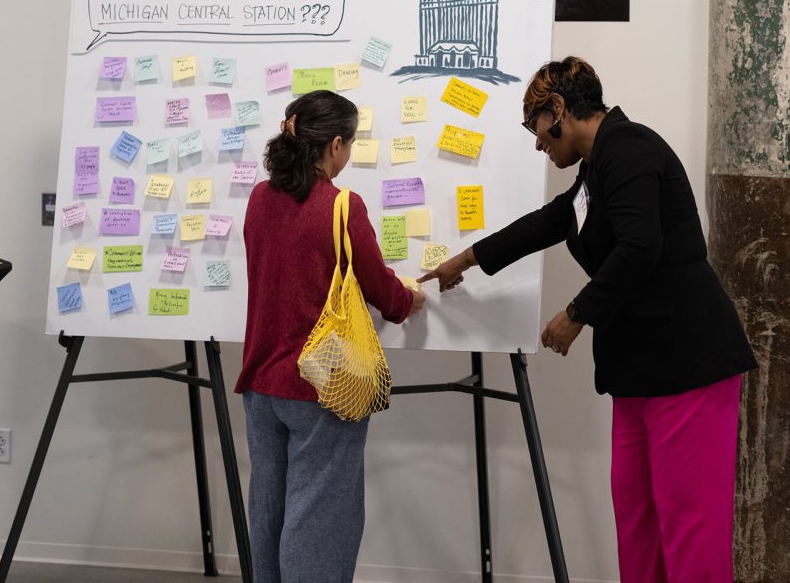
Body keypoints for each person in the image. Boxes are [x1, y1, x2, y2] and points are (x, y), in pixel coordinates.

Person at [420, 57, 756, 583]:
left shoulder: (630, 149)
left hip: (688, 359)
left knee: (691, 527)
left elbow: (641, 246)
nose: (536, 142)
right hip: (640, 367)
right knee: (638, 519)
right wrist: (466, 260)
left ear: (557, 110)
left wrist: (576, 314)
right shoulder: (596, 169)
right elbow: (551, 222)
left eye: (534, 125)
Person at [235, 89, 425, 583]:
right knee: (319, 519)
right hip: (321, 385)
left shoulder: (259, 198)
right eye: (351, 144)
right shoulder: (342, 206)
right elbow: (381, 289)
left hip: (259, 385)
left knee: (269, 514)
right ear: (335, 144)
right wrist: (409, 300)